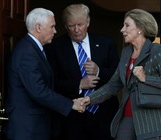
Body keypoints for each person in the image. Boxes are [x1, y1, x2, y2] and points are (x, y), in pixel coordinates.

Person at [80, 9, 161, 140]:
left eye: (127, 25)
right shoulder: (126, 52)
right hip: (127, 117)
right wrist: (89, 99)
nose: (122, 30)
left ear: (140, 28)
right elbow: (113, 85)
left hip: (150, 122)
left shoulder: (156, 51)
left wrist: (146, 78)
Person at [3, 8, 85, 140]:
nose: (55, 31)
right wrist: (70, 104)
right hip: (27, 128)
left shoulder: (33, 48)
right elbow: (38, 90)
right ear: (38, 27)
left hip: (34, 125)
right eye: (52, 27)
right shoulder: (27, 53)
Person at [44, 3, 120, 140]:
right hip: (71, 118)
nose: (76, 30)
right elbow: (51, 82)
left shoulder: (105, 43)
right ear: (66, 26)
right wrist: (79, 84)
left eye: (80, 24)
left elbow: (119, 77)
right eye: (71, 26)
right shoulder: (55, 47)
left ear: (88, 22)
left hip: (104, 114)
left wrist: (99, 71)